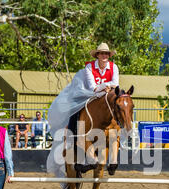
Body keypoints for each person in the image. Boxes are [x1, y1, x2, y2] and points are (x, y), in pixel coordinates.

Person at [46, 42, 119, 180]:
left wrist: (106, 87)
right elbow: (93, 88)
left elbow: (116, 84)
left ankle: (119, 137)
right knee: (76, 111)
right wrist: (106, 86)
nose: (104, 56)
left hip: (106, 98)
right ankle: (71, 138)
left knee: (119, 110)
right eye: (102, 53)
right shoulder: (89, 67)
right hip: (88, 94)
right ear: (97, 55)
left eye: (107, 54)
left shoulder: (114, 67)